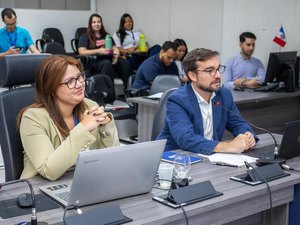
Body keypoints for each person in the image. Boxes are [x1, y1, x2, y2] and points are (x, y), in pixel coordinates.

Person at [17, 55, 120, 181]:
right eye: (70, 81)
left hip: (84, 181)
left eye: (79, 77)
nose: (80, 84)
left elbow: (112, 159)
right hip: (41, 189)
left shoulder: (90, 106)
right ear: (51, 88)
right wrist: (83, 128)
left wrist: (107, 126)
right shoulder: (32, 118)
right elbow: (49, 171)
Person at [157, 48, 258, 155]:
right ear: (193, 76)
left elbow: (238, 123)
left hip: (209, 158)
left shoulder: (224, 94)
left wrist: (248, 136)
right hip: (176, 159)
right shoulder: (177, 100)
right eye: (210, 71)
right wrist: (228, 146)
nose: (218, 75)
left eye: (218, 69)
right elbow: (186, 139)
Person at [78, 13, 133, 88]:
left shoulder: (106, 35)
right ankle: (108, 92)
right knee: (107, 64)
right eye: (94, 22)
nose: (96, 24)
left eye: (98, 22)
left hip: (109, 58)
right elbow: (82, 51)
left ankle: (129, 89)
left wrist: (116, 55)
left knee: (125, 62)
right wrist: (98, 51)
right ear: (90, 24)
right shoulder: (85, 36)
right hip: (94, 61)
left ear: (101, 23)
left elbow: (114, 47)